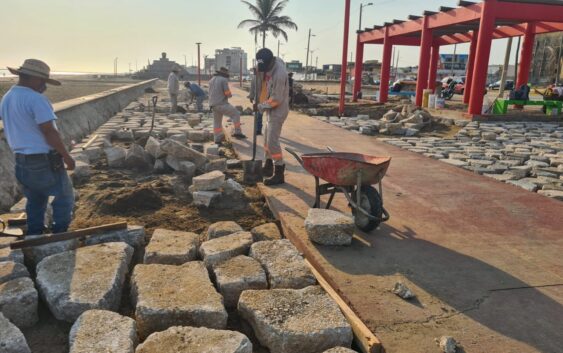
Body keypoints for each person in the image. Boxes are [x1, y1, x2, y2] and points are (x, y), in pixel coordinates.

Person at [0, 59, 75, 235]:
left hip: (21, 160)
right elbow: (49, 132)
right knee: (64, 196)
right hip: (42, 159)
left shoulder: (8, 97)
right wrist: (66, 156)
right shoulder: (36, 99)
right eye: (42, 81)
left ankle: (35, 233)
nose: (44, 86)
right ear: (32, 78)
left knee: (35, 199)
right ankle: (60, 233)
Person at [255, 48, 290, 186]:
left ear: (271, 62)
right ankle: (268, 165)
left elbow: (276, 99)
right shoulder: (270, 64)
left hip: (278, 110)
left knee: (272, 143)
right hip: (270, 109)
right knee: (266, 141)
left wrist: (259, 107)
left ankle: (278, 172)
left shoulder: (279, 74)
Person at [208, 67, 246, 144]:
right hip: (221, 104)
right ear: (225, 74)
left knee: (217, 122)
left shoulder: (211, 80)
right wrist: (230, 95)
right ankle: (237, 131)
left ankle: (217, 139)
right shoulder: (223, 80)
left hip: (213, 104)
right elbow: (227, 93)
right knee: (236, 114)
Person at [248, 68, 263, 135]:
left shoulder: (263, 77)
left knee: (260, 115)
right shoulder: (254, 78)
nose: (253, 72)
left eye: (254, 70)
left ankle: (259, 129)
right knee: (258, 115)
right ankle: (258, 129)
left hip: (263, 99)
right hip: (257, 99)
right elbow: (252, 88)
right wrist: (251, 97)